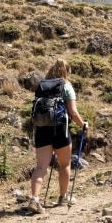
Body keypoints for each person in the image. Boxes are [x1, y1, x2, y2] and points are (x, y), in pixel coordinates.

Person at [27, 59, 87, 214]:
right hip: (60, 129)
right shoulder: (66, 87)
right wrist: (83, 125)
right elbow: (73, 112)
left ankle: (34, 199)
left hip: (42, 130)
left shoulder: (42, 86)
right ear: (66, 72)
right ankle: (63, 197)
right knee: (64, 164)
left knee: (41, 167)